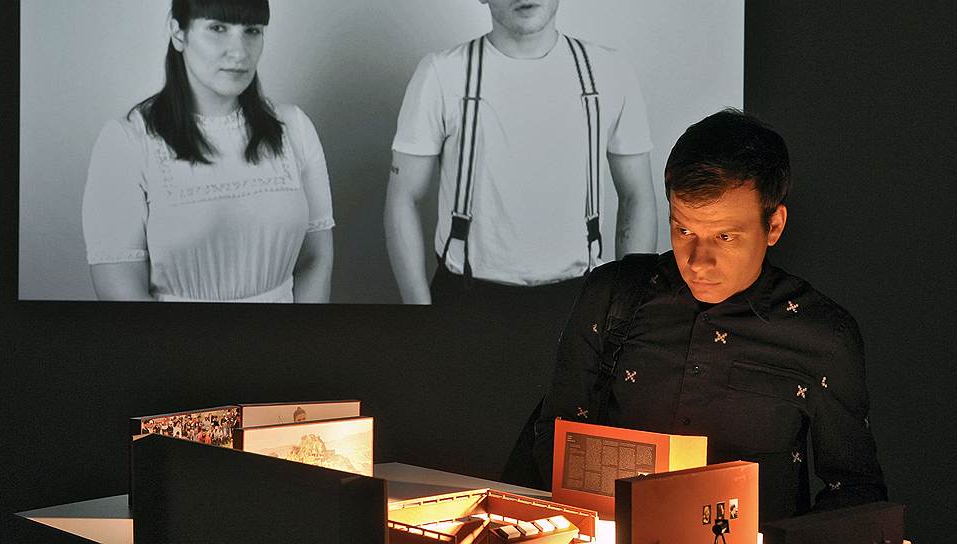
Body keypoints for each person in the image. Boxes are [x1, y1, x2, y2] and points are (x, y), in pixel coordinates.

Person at [534, 109, 887, 522]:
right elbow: (553, 442)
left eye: (725, 236)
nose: (698, 262)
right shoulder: (611, 295)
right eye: (684, 230)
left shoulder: (825, 336)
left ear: (774, 226)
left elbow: (856, 494)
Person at [385, 0, 657, 307]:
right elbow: (403, 197)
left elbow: (637, 197)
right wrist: (419, 314)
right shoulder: (441, 73)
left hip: (578, 298)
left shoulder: (609, 71)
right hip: (465, 297)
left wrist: (628, 308)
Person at [83, 0, 334, 303]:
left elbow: (315, 260)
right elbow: (119, 288)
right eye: (217, 28)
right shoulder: (127, 142)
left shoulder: (294, 128)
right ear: (178, 33)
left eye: (252, 30)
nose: (239, 52)